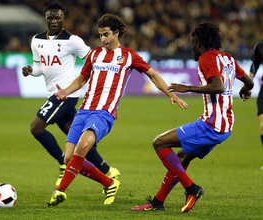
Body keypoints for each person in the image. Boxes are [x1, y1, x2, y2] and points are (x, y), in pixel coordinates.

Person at [47, 13, 188, 207]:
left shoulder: (129, 56)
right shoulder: (95, 54)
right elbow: (82, 79)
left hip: (104, 113)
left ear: (116, 33)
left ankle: (60, 190)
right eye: (100, 35)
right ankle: (109, 182)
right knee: (69, 158)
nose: (103, 39)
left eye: (106, 35)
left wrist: (169, 93)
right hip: (84, 111)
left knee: (82, 147)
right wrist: (66, 92)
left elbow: (153, 74)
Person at [131, 22, 254, 213]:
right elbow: (250, 82)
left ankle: (191, 189)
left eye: (192, 44)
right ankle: (158, 202)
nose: (191, 48)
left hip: (211, 125)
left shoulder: (206, 58)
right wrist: (245, 90)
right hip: (226, 126)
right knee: (182, 158)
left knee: (159, 143)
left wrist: (187, 88)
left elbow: (218, 86)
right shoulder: (227, 58)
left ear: (198, 44)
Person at [21, 2, 120, 188]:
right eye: (50, 17)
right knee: (78, 140)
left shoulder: (72, 40)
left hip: (65, 95)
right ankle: (108, 171)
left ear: (63, 18)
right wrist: (30, 71)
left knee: (36, 127)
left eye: (57, 17)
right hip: (53, 93)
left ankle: (62, 163)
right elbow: (40, 68)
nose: (54, 20)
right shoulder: (37, 40)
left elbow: (93, 58)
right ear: (45, 18)